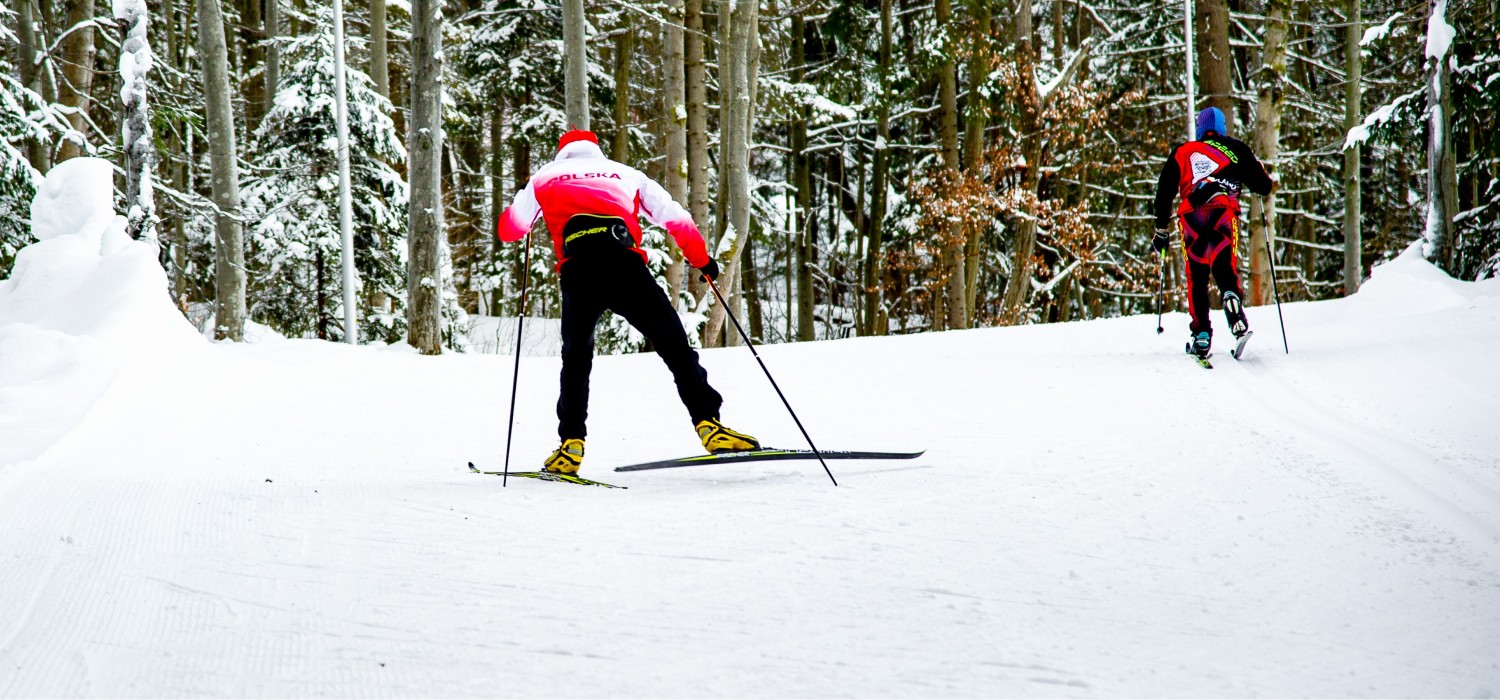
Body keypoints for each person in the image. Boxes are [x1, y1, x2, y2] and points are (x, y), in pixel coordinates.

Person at [496, 129, 760, 475]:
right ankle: (709, 425)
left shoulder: (544, 177)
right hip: (625, 267)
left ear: (563, 153)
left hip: (579, 272)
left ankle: (570, 444)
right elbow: (675, 217)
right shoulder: (626, 173)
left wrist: (526, 211)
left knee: (576, 359)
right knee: (675, 347)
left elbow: (510, 230)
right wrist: (701, 260)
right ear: (596, 150)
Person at [1152, 107, 1275, 358]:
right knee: (1224, 265)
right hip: (1223, 212)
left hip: (1191, 216)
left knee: (1196, 275)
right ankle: (1232, 302)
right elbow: (1263, 187)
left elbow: (1164, 191)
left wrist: (1160, 229)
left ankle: (1201, 334)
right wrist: (1258, 169)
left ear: (1200, 129)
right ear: (1222, 128)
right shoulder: (1237, 149)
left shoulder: (1183, 152)